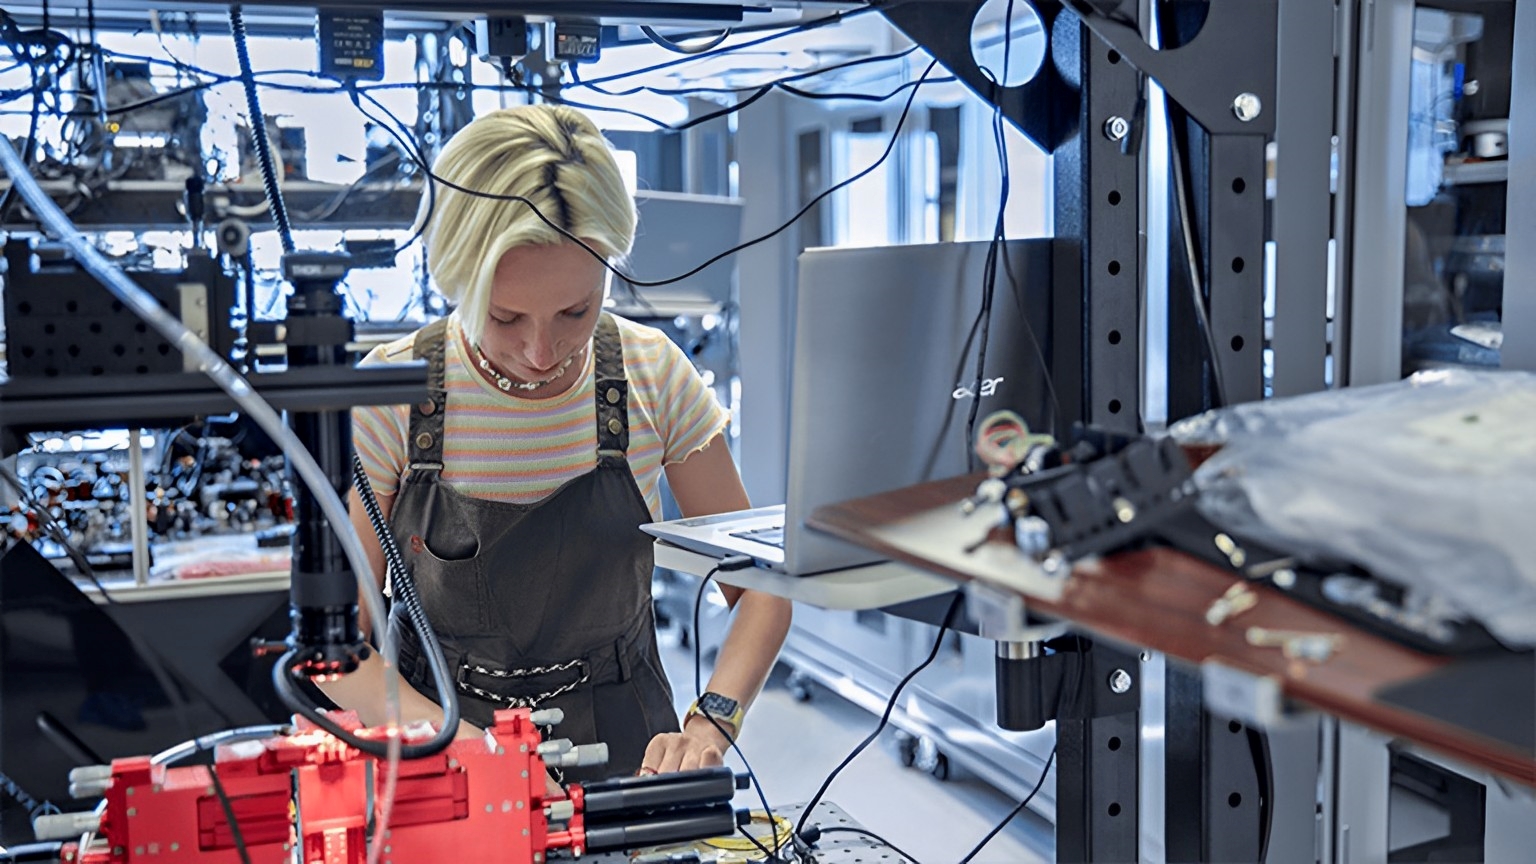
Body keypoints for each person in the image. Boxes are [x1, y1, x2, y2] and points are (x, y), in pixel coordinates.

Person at [324, 104, 792, 780]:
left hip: (627, 745)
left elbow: (761, 588)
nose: (541, 352)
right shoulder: (397, 394)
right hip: (438, 745)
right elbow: (334, 646)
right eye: (506, 316)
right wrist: (456, 747)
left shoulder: (652, 376)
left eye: (576, 310)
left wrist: (711, 720)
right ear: (456, 279)